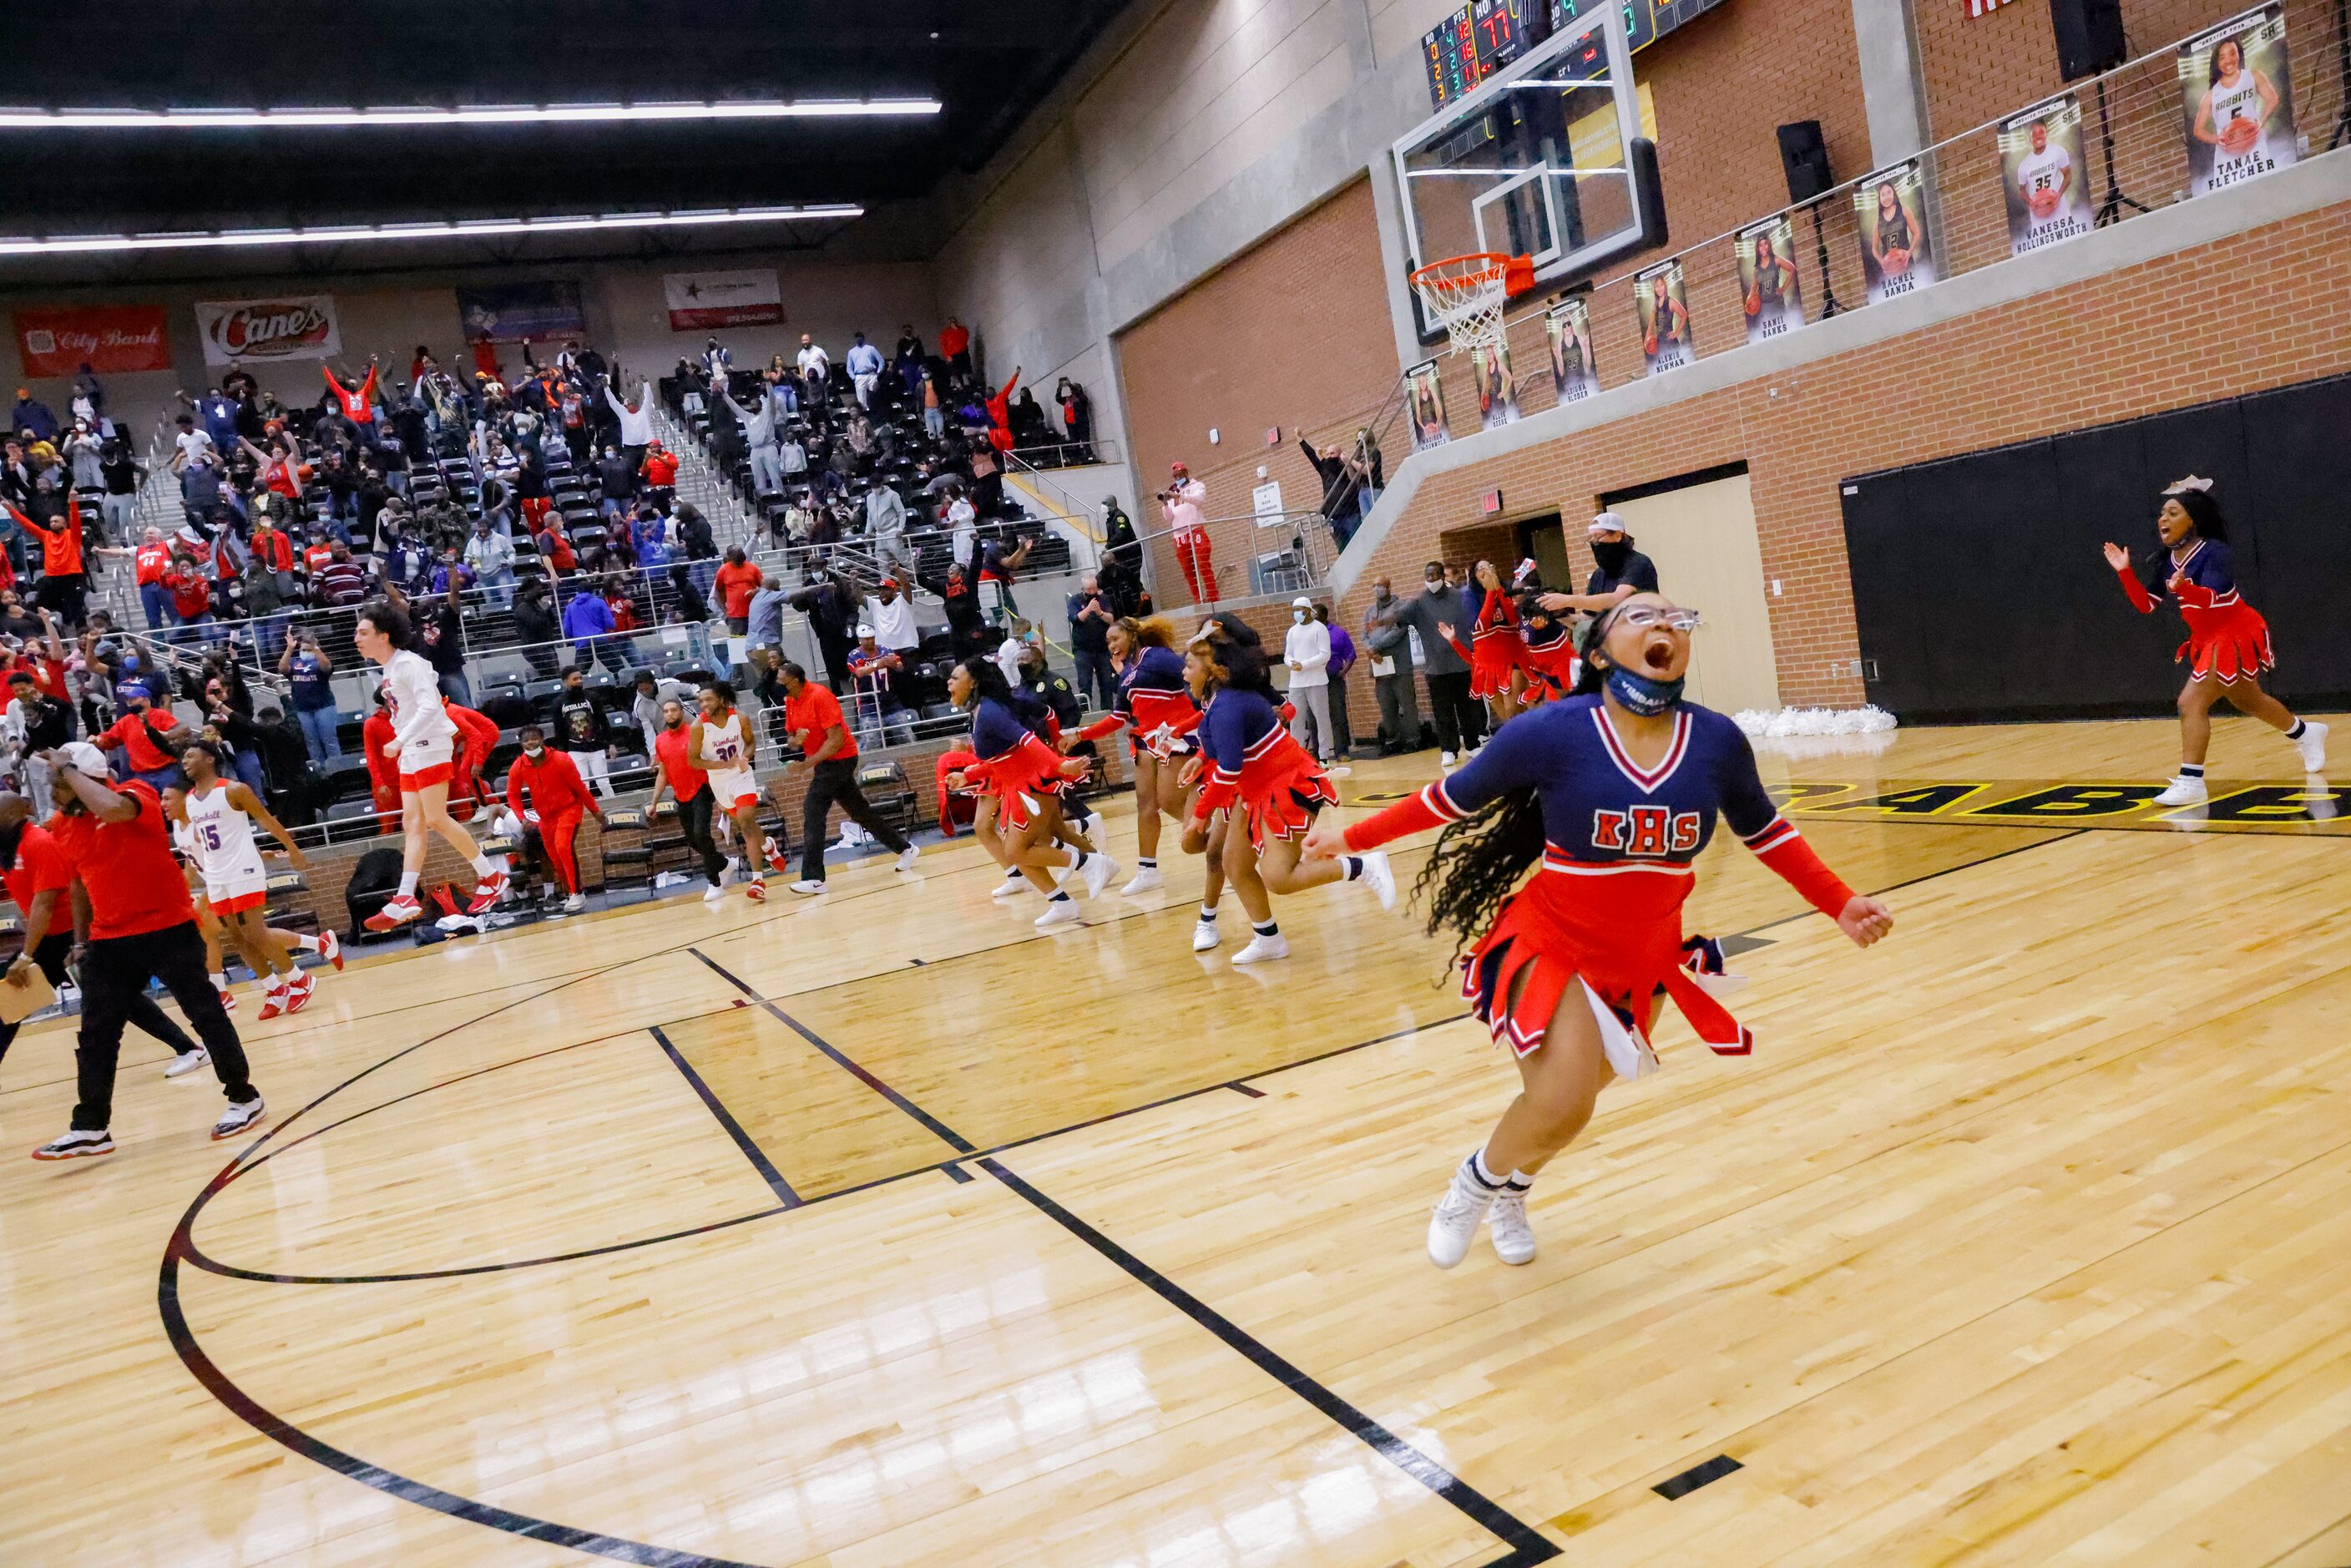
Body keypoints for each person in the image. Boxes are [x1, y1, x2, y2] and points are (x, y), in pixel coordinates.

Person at [1302, 592, 1893, 1267]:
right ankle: (1472, 1184)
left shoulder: (1716, 740)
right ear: (1598, 650)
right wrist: (1349, 836)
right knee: (1562, 1096)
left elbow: (1767, 832)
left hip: (1647, 957)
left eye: (1676, 616)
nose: (1665, 623)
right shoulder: (1554, 730)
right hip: (1552, 939)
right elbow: (1449, 798)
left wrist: (1839, 902)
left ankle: (1515, 1188)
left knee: (1572, 1107)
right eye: (1641, 616)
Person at [28, 741, 266, 1160]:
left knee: (205, 1015)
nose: (53, 790)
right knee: (96, 1035)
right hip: (108, 939)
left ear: (86, 776)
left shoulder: (137, 792)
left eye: (59, 781)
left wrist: (68, 769)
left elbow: (113, 810)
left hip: (168, 929)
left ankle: (244, 1098)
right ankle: (91, 1127)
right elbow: (79, 884)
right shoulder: (65, 825)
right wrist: (81, 941)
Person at [1178, 620, 1392, 964]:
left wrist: (1199, 816)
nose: (1184, 674)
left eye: (1189, 666)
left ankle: (1362, 866)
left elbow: (1230, 770)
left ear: (1214, 671)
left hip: (1286, 784)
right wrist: (1201, 759)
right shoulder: (1221, 700)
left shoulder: (1228, 705)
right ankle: (1268, 939)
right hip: (1256, 789)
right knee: (1234, 863)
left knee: (1278, 877)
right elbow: (1229, 749)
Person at [2103, 477, 2325, 805]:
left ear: (2193, 519)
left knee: (2189, 703)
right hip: (2207, 637)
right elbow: (2146, 604)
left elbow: (2214, 597)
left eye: (2173, 512)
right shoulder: (2167, 560)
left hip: (2234, 631)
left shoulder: (2216, 552)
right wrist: (2125, 571)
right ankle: (2305, 733)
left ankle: (2191, 780)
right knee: (2248, 700)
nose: (2163, 519)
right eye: (2162, 513)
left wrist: (2185, 588)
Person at [0, 790, 210, 1085]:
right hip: (49, 939)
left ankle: (189, 1048)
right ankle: (189, 1048)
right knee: (9, 1000)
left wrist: (26, 955)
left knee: (121, 1000)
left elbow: (44, 905)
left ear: (10, 816)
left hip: (70, 936)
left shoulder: (39, 843)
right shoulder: (13, 846)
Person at [355, 599, 508, 930]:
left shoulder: (410, 664)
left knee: (436, 818)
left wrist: (399, 739)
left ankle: (491, 876)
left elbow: (430, 708)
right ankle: (406, 895)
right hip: (413, 749)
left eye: (363, 632)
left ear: (383, 635)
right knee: (413, 823)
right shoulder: (390, 668)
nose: (356, 638)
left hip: (427, 745)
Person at [947, 655, 1115, 927]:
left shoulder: (990, 711)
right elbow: (998, 761)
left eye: (955, 677)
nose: (949, 682)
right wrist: (967, 774)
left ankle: (1090, 864)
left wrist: (1060, 759)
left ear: (973, 681)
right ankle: (1064, 901)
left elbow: (1028, 740)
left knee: (1017, 850)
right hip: (1017, 785)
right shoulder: (981, 710)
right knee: (1031, 843)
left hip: (1033, 783)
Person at [170, 741, 320, 1019]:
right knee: (237, 938)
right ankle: (275, 989)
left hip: (243, 869)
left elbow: (265, 819)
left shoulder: (233, 790)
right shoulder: (189, 800)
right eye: (183, 758)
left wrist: (292, 849)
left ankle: (299, 979)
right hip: (216, 875)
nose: (185, 761)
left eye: (190, 756)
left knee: (255, 933)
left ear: (210, 759)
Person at [1066, 615, 1202, 898]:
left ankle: (1218, 839)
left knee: (1169, 801)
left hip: (1178, 738)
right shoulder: (1128, 673)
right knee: (1146, 805)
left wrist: (1199, 713)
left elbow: (1194, 676)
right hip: (1148, 742)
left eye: (1115, 639)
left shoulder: (1157, 656)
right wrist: (1080, 735)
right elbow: (1118, 718)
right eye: (1107, 643)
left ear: (1131, 634)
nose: (1111, 646)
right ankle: (1148, 870)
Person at [770, 660, 921, 894]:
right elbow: (790, 737)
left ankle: (813, 878)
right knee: (860, 812)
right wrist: (795, 742)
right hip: (823, 761)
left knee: (813, 809)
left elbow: (836, 740)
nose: (778, 684)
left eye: (782, 681)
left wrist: (808, 763)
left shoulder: (821, 696)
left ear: (796, 681)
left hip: (840, 758)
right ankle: (905, 849)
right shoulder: (790, 701)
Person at [1388, 563, 1483, 766]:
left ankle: (1473, 744)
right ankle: (1448, 749)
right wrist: (1405, 606)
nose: (1431, 580)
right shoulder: (1419, 602)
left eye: (1434, 576)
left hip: (1462, 664)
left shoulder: (1459, 598)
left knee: (1467, 708)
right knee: (1442, 711)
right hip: (1436, 668)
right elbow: (1399, 619)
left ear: (1442, 576)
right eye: (1427, 577)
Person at [505, 726, 603, 913]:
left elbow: (580, 788)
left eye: (534, 738)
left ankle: (576, 892)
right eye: (526, 740)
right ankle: (570, 891)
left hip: (569, 809)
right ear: (521, 744)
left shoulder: (561, 759)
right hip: (545, 817)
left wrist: (595, 811)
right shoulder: (519, 766)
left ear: (542, 740)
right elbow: (512, 795)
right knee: (555, 857)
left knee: (563, 846)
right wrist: (521, 817)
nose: (530, 742)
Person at [690, 680, 772, 901]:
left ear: (722, 699)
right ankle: (768, 845)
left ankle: (758, 881)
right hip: (719, 781)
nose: (704, 704)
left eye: (709, 699)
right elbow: (693, 760)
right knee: (747, 824)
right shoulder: (698, 726)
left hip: (741, 775)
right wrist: (719, 765)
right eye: (701, 700)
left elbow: (751, 743)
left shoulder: (740, 718)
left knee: (746, 822)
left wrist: (746, 757)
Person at [647, 696, 727, 900]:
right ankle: (724, 864)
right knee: (692, 839)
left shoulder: (695, 733)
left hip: (701, 790)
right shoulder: (661, 740)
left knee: (701, 833)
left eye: (674, 710)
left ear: (682, 713)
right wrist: (653, 802)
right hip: (680, 795)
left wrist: (720, 796)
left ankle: (714, 883)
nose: (670, 714)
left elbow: (711, 764)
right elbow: (663, 774)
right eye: (666, 711)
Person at [1540, 513, 1658, 619]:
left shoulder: (1639, 563)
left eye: (1598, 536)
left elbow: (1618, 601)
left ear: (1618, 535)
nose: (1595, 543)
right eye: (1591, 538)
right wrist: (1557, 615)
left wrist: (1568, 600)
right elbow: (1587, 620)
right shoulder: (1599, 574)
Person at [1363, 577, 1423, 755]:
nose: (1376, 589)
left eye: (1380, 585)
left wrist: (1377, 646)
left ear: (1389, 587)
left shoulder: (1400, 606)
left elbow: (1398, 631)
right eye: (1374, 585)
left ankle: (1414, 739)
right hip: (1379, 664)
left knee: (1407, 703)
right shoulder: (1370, 610)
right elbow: (1363, 634)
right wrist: (1370, 650)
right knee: (1386, 705)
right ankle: (1392, 740)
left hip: (1399, 663)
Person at [546, 665, 618, 798]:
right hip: (575, 750)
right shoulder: (558, 703)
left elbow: (604, 721)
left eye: (580, 678)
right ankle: (584, 814)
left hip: (596, 747)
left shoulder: (592, 697)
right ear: (565, 681)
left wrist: (611, 743)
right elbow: (559, 730)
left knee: (603, 782)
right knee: (582, 785)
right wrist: (562, 753)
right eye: (575, 679)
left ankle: (614, 808)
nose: (579, 681)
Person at [1282, 595, 1336, 765]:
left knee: (1321, 717)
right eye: (1294, 610)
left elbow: (1324, 654)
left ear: (1307, 610)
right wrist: (1292, 663)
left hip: (1316, 680)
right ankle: (1297, 754)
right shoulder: (1292, 631)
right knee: (1296, 719)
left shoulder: (1319, 629)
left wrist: (1303, 665)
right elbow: (1288, 654)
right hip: (1296, 682)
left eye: (1298, 610)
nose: (1296, 613)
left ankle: (1324, 754)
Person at [1160, 462, 1215, 604]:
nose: (1178, 478)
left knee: (1203, 564)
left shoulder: (1197, 486)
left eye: (1180, 475)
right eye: (1175, 476)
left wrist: (1179, 496)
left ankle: (1213, 597)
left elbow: (1198, 500)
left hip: (1195, 529)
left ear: (1186, 473)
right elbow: (1169, 517)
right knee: (1188, 570)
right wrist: (1166, 504)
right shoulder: (1173, 492)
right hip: (1179, 535)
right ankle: (1198, 599)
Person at [1065, 574, 1115, 711]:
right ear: (1083, 588)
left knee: (1106, 681)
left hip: (1102, 648)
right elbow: (1075, 619)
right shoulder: (1075, 600)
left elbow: (1111, 619)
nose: (1092, 592)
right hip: (1082, 649)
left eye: (1094, 588)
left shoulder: (1104, 599)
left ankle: (1107, 710)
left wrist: (1099, 612)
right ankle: (1086, 711)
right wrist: (1088, 609)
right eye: (1089, 589)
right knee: (1085, 682)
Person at [714, 547, 762, 635]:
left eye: (741, 551)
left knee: (758, 642)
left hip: (754, 613)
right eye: (737, 553)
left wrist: (754, 591)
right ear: (730, 556)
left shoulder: (753, 568)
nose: (740, 554)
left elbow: (765, 587)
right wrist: (725, 613)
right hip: (734, 616)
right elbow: (718, 593)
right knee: (738, 644)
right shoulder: (723, 571)